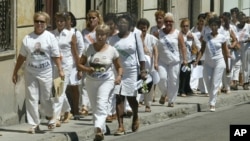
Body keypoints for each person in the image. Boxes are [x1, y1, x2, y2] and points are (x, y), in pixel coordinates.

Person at [12, 11, 64, 133]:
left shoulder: (50, 37)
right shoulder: (28, 38)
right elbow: (21, 57)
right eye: (37, 21)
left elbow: (56, 55)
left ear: (46, 23)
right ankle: (34, 124)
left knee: (46, 98)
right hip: (30, 72)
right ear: (34, 23)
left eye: (42, 21)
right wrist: (15, 72)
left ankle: (51, 116)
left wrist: (60, 70)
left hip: (46, 72)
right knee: (31, 98)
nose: (39, 24)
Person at [78, 24, 123, 141]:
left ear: (107, 36)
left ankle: (98, 128)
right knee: (95, 107)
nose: (100, 37)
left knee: (101, 103)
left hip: (106, 80)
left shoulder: (112, 50)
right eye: (98, 34)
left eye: (103, 35)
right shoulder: (89, 48)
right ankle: (101, 130)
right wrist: (87, 69)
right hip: (91, 81)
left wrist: (119, 77)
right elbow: (79, 64)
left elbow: (119, 67)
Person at [108, 13, 147, 135]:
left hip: (131, 71)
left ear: (129, 25)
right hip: (117, 71)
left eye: (124, 23)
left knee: (130, 97)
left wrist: (143, 70)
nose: (121, 24)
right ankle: (120, 126)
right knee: (119, 97)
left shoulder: (135, 36)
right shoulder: (112, 39)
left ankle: (135, 116)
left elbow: (141, 55)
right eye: (119, 22)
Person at [193, 16, 229, 112]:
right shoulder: (206, 36)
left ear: (218, 26)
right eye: (212, 25)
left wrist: (227, 66)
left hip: (219, 62)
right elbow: (202, 50)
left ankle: (212, 103)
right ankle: (211, 99)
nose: (214, 27)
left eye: (215, 25)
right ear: (210, 26)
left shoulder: (222, 37)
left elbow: (225, 52)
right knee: (208, 82)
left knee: (215, 83)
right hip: (208, 62)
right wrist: (197, 60)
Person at [51, 11, 79, 124]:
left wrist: (78, 67)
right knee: (58, 89)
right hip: (54, 65)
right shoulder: (52, 34)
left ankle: (56, 117)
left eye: (62, 21)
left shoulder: (70, 34)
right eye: (57, 21)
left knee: (59, 91)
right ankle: (67, 110)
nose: (59, 23)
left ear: (66, 21)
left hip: (66, 65)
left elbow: (75, 52)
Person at [157, 12, 187, 107]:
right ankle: (164, 93)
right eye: (166, 21)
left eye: (170, 21)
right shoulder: (159, 33)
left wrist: (185, 59)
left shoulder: (178, 33)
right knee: (161, 78)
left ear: (173, 22)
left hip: (174, 61)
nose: (168, 23)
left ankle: (171, 100)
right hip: (162, 61)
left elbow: (183, 47)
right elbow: (155, 47)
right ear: (164, 22)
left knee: (174, 80)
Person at [80, 10, 104, 115]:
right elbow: (81, 47)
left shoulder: (101, 31)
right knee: (85, 82)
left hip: (98, 60)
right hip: (87, 59)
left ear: (98, 18)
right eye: (89, 18)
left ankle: (94, 105)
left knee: (96, 83)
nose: (91, 20)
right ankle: (84, 106)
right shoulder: (84, 32)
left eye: (93, 18)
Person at [65, 11, 85, 118]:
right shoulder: (57, 33)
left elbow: (81, 49)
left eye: (67, 20)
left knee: (74, 87)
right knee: (61, 88)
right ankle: (65, 111)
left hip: (74, 64)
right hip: (63, 64)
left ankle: (75, 109)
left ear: (71, 21)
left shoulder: (76, 33)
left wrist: (79, 67)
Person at [137, 18, 159, 112]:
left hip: (148, 66)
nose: (143, 30)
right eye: (141, 28)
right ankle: (136, 102)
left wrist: (155, 62)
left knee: (147, 84)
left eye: (145, 28)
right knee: (138, 84)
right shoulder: (135, 37)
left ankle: (148, 104)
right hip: (138, 65)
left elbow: (155, 50)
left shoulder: (151, 38)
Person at [179, 18, 201, 97]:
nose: (185, 28)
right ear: (181, 26)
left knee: (187, 74)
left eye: (187, 26)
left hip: (189, 58)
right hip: (180, 58)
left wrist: (197, 60)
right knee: (183, 74)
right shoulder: (179, 34)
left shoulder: (192, 35)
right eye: (184, 26)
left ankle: (186, 89)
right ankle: (182, 90)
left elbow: (199, 47)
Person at [103, 12, 119, 122]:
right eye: (107, 24)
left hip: (117, 65)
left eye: (111, 24)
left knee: (114, 90)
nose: (109, 27)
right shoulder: (104, 36)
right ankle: (109, 112)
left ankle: (113, 112)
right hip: (106, 66)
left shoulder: (118, 36)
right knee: (108, 90)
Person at [219, 12, 238, 94]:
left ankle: (227, 86)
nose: (221, 22)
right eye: (220, 21)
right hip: (219, 51)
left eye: (223, 20)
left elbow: (235, 39)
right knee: (219, 69)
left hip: (227, 50)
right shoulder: (217, 28)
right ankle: (219, 87)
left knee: (227, 68)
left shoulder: (228, 28)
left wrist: (232, 45)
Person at [190, 13, 206, 94]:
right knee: (196, 68)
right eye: (200, 21)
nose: (201, 23)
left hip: (203, 52)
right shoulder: (194, 29)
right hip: (195, 52)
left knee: (202, 70)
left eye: (203, 21)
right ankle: (194, 87)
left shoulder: (206, 30)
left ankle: (202, 87)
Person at [234, 12, 250, 90]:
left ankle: (246, 82)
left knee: (246, 65)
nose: (242, 20)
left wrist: (246, 40)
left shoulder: (248, 26)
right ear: (238, 19)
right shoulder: (236, 27)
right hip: (237, 47)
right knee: (236, 64)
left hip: (246, 47)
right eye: (241, 18)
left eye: (244, 18)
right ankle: (235, 82)